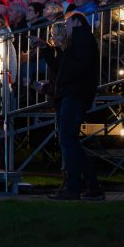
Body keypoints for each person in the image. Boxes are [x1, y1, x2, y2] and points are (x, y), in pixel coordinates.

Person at [32, 12, 103, 201]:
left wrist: (60, 84)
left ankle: (74, 187)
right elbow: (62, 66)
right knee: (70, 141)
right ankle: (91, 186)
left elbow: (74, 68)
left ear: (77, 22)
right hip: (71, 95)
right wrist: (46, 49)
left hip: (73, 96)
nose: (66, 26)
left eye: (68, 22)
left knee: (68, 140)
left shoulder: (82, 39)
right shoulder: (78, 42)